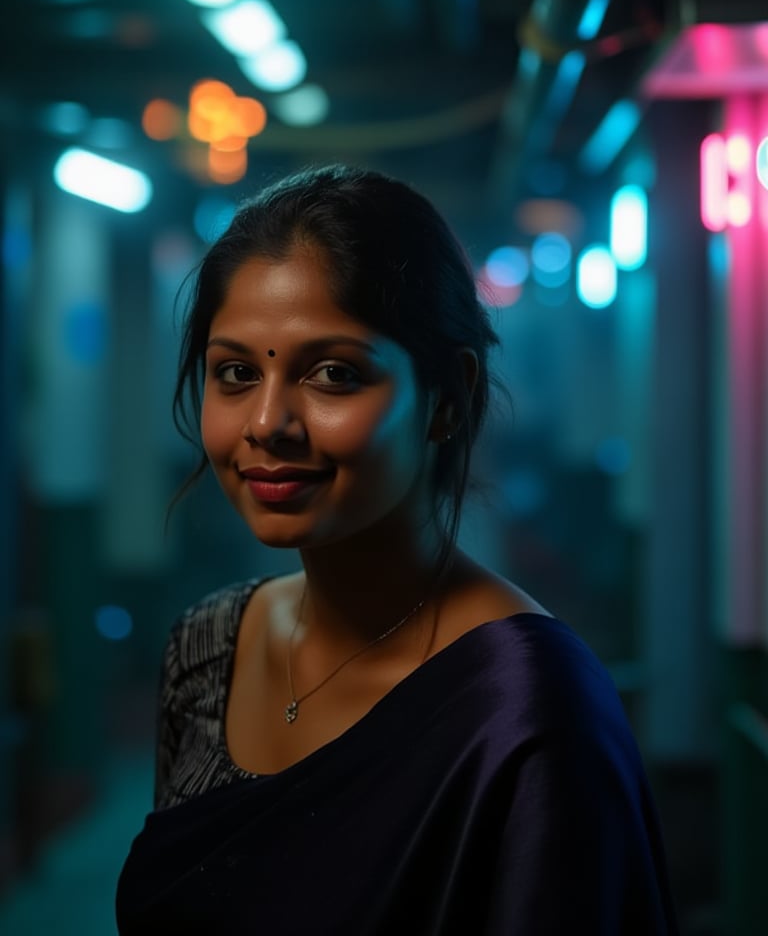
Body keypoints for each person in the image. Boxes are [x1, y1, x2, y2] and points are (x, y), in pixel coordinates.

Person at [116, 163, 679, 935]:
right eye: (236, 373)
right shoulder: (205, 650)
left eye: (334, 374)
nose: (268, 424)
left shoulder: (530, 712)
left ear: (446, 400)